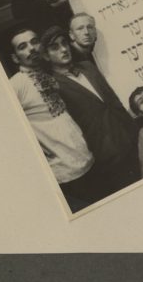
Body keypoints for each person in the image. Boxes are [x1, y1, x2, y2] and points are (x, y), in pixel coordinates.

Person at [42, 25, 139, 199]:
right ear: (46, 56)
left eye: (64, 43)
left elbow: (113, 100)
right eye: (55, 47)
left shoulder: (88, 66)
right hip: (104, 157)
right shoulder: (53, 86)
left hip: (131, 138)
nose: (63, 49)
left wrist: (134, 130)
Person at [6, 27, 95, 213]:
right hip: (64, 173)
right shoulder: (17, 84)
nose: (31, 49)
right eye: (23, 47)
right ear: (15, 58)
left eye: (34, 42)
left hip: (87, 159)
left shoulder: (52, 72)